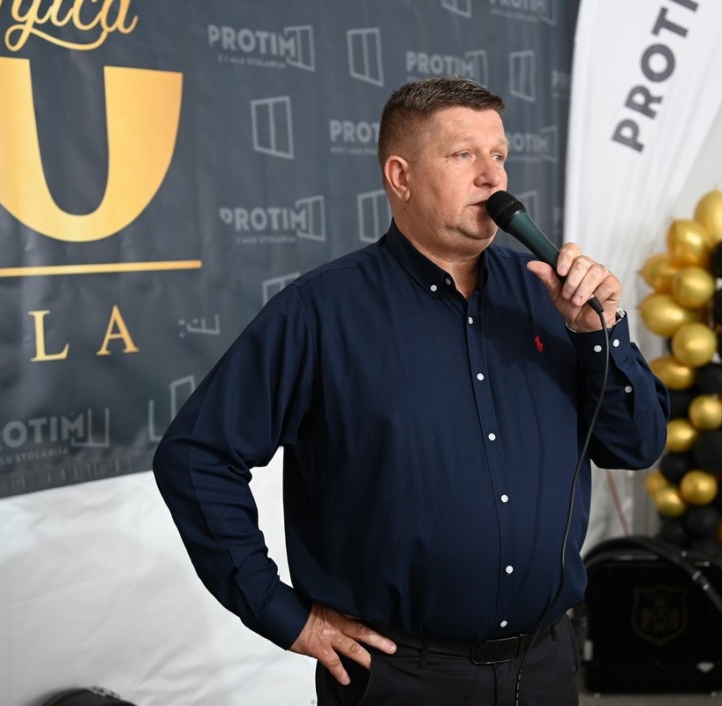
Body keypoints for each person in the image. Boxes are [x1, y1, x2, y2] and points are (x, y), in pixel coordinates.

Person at [153, 76, 669, 705]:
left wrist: (599, 333)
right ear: (400, 177)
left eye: (499, 155)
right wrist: (282, 614)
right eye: (463, 155)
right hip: (401, 679)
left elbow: (637, 445)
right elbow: (197, 457)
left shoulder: (552, 298)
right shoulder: (320, 312)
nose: (493, 177)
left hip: (545, 667)